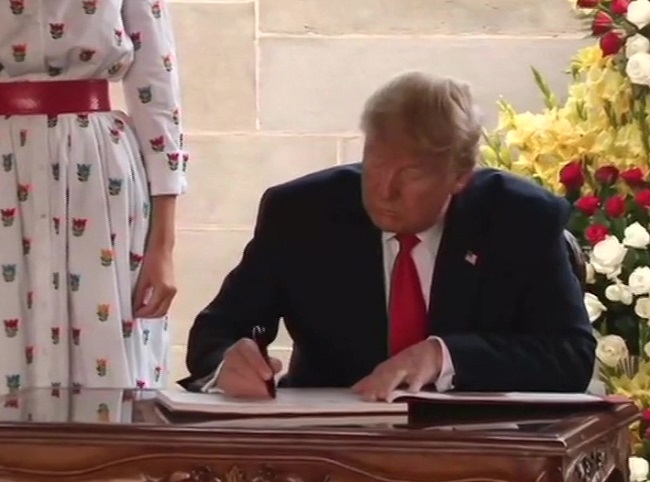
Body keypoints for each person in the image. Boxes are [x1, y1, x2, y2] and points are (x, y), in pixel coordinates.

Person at [180, 72, 595, 400]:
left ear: (460, 177)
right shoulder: (302, 213)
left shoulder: (518, 219)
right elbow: (219, 329)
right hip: (331, 455)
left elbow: (570, 357)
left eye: (411, 173)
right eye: (376, 160)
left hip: (475, 454)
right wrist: (225, 364)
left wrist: (443, 355)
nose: (384, 189)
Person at [0, 0, 186, 396]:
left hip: (97, 169)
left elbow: (157, 85)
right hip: (6, 163)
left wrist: (164, 245)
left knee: (107, 341)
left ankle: (111, 454)